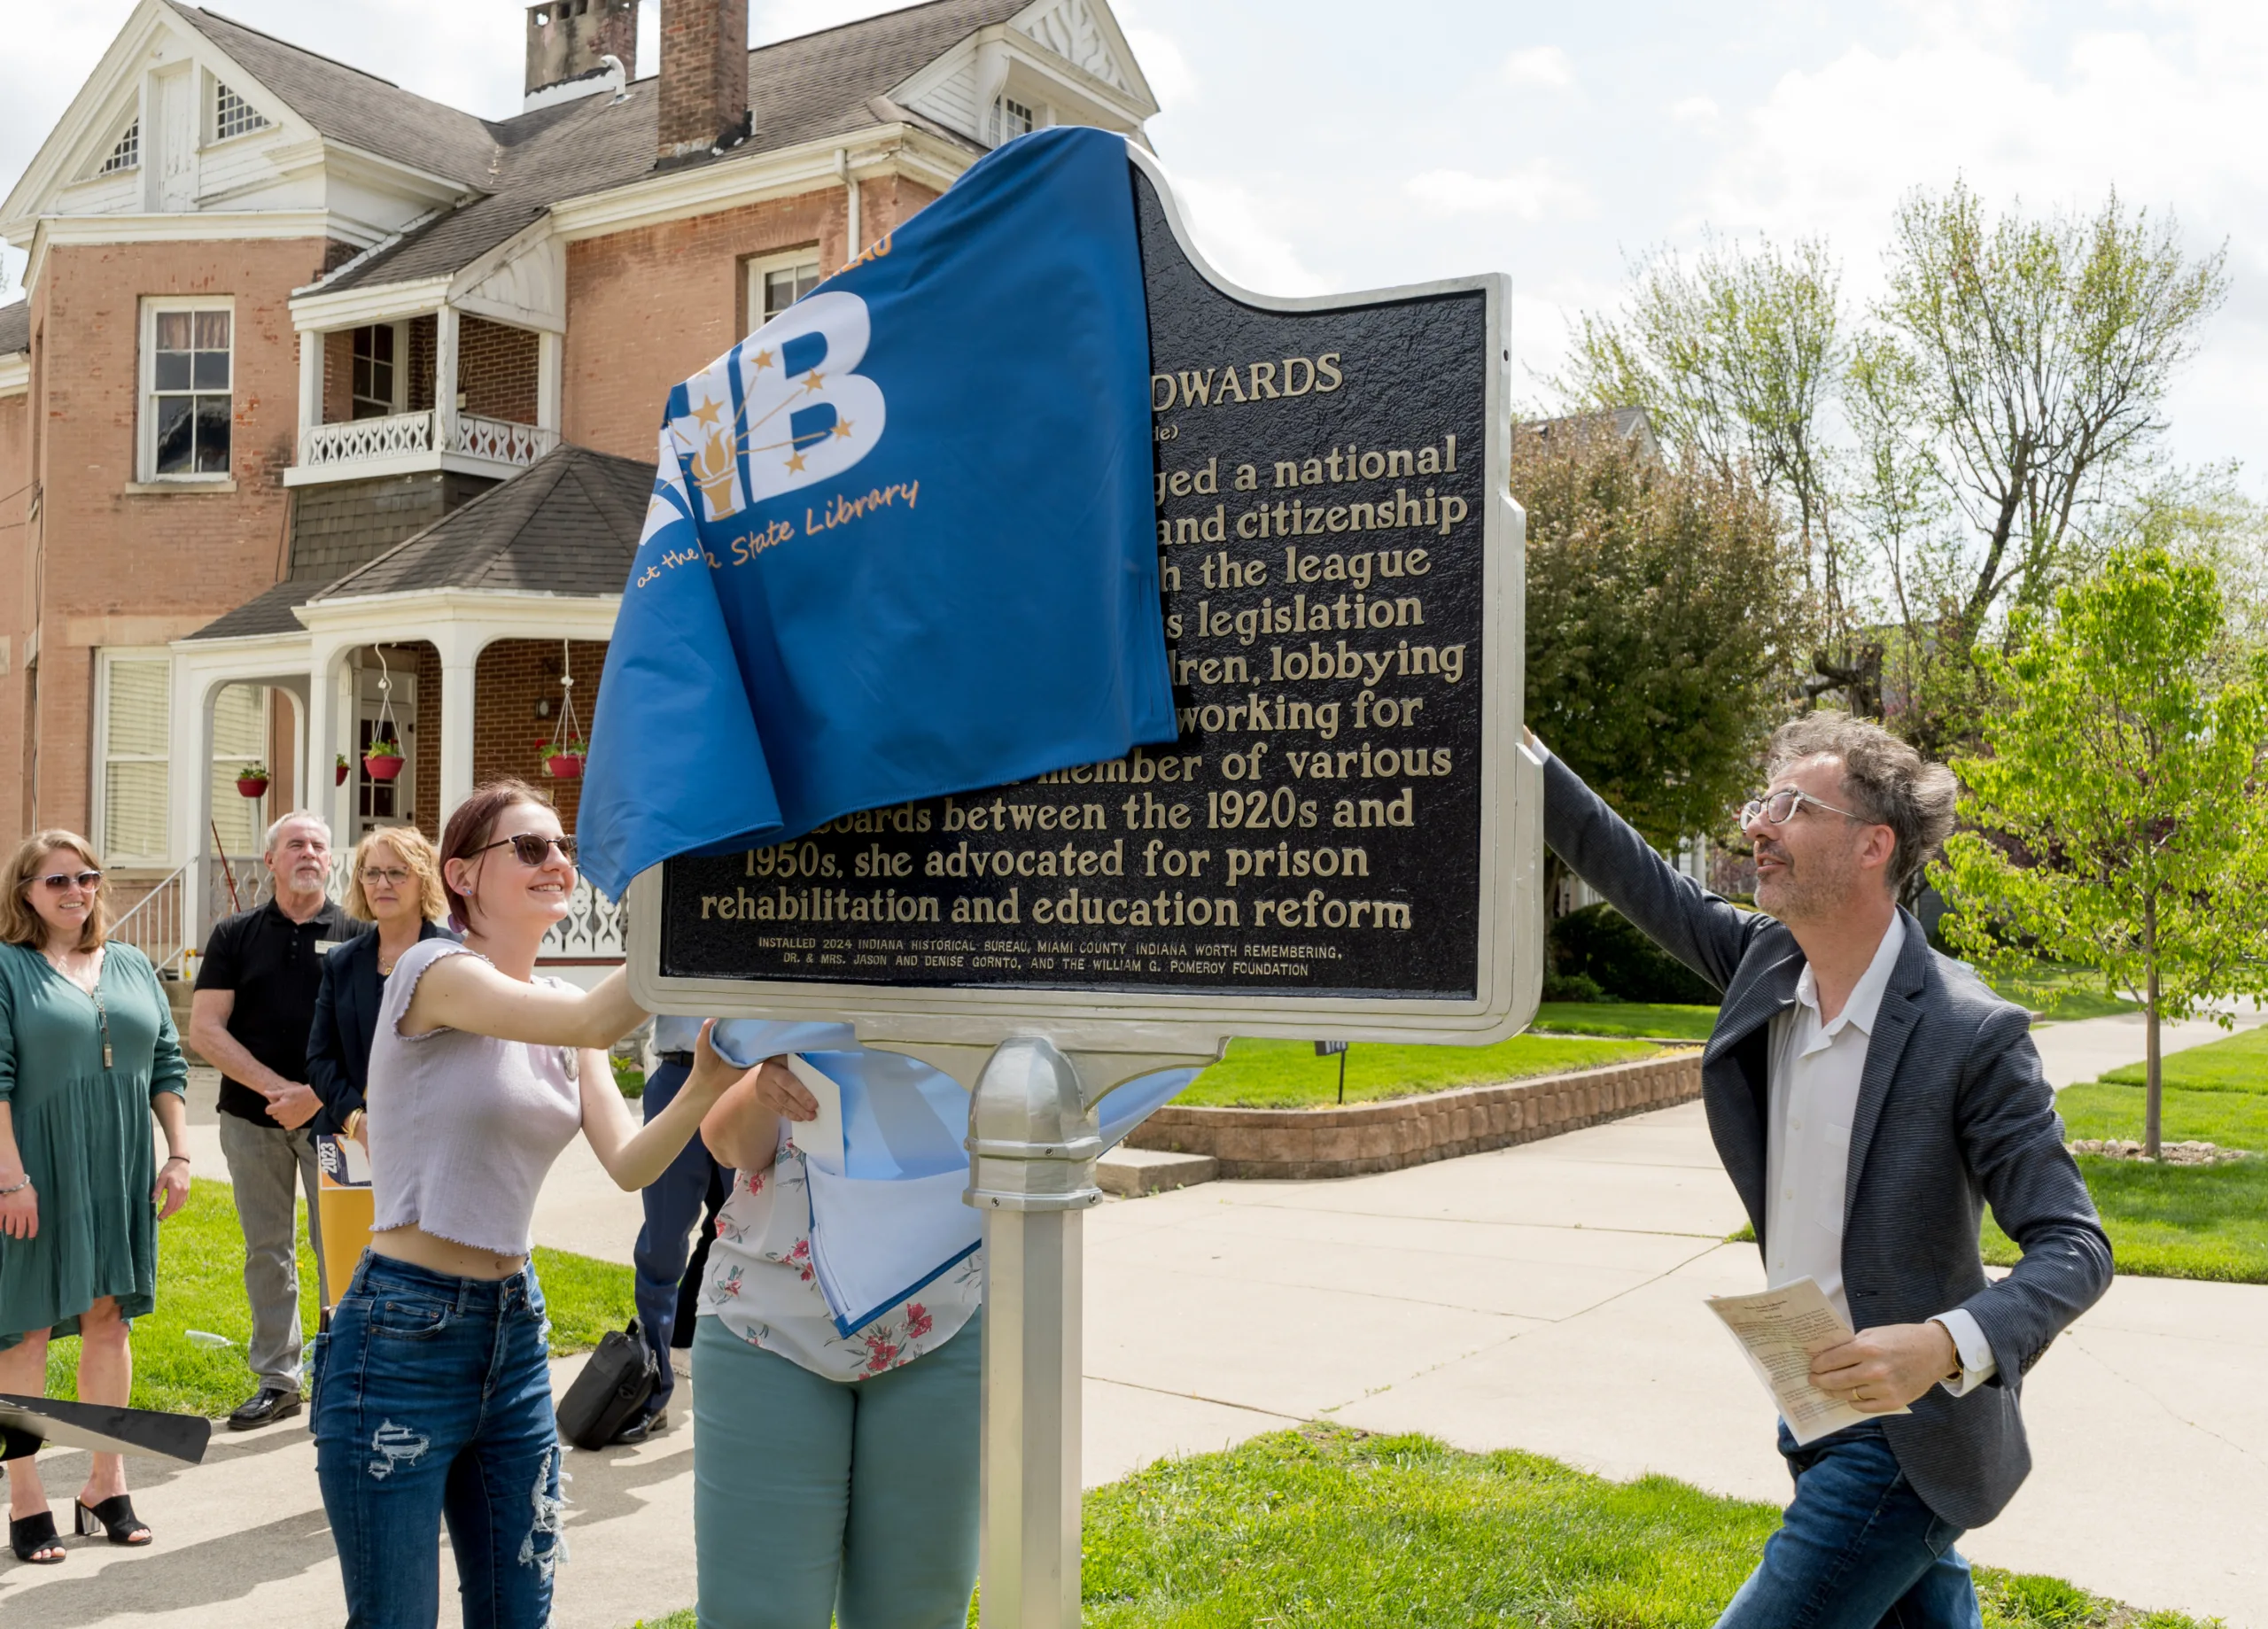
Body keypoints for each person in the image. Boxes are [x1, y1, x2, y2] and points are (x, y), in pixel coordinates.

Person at [1533, 714, 2112, 1628]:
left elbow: (2073, 1243)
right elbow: (1628, 866)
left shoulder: (1969, 1033)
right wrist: (1514, 749)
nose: (1757, 825)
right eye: (1760, 803)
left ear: (1873, 844)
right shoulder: (1765, 964)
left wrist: (1943, 1343)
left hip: (1902, 1438)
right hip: (1803, 1398)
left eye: (1792, 806)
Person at [311, 781, 754, 1628]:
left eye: (562, 846)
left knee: (520, 1611)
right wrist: (708, 900)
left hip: (514, 1334)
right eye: (529, 847)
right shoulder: (431, 971)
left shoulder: (558, 1008)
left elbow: (628, 1163)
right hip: (401, 1335)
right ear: (463, 875)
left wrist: (698, 1089)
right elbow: (595, 1021)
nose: (557, 861)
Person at [692, 1036, 984, 1629]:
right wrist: (761, 1088)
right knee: (755, 1616)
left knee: (918, 1615)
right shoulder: (778, 965)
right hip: (767, 1325)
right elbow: (726, 1142)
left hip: (942, 1324)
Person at [0, 833, 192, 1563]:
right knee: (26, 1331)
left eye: (86, 878)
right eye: (57, 881)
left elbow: (168, 1064)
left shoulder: (135, 964)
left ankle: (105, 1483)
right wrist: (10, 1178)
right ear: (27, 891)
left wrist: (177, 1154)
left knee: (109, 1323)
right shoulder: (6, 967)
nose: (75, 892)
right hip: (34, 1173)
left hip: (119, 1171)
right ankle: (24, 1494)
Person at [190, 811, 356, 1431]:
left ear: (331, 859)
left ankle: (342, 1372)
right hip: (250, 1118)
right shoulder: (234, 934)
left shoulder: (358, 930)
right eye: (295, 843)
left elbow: (369, 1034)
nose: (308, 852)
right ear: (271, 860)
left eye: (318, 843)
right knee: (268, 1250)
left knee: (341, 1248)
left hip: (336, 1119)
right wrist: (276, 1088)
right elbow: (205, 1027)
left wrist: (314, 1095)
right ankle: (278, 1379)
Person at [621, 1012, 734, 1443]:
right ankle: (650, 1394)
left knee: (753, 1238)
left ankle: (744, 1392)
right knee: (662, 1245)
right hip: (677, 1078)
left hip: (749, 1081)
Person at [306, 828, 454, 1146]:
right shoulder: (341, 961)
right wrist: (356, 1121)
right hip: (353, 1142)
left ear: (423, 880)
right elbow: (319, 1059)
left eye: (397, 872)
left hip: (438, 1140)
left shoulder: (455, 956)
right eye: (372, 873)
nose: (382, 884)